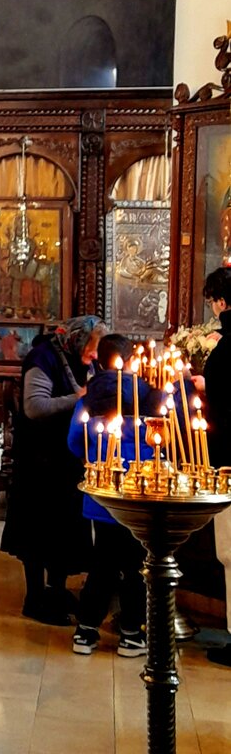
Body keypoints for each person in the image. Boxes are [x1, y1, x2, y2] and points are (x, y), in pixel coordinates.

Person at [0, 314, 106, 623]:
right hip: (39, 460)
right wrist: (78, 398)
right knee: (38, 529)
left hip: (66, 457)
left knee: (64, 527)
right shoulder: (42, 357)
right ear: (77, 340)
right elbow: (35, 407)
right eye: (92, 348)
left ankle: (56, 590)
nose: (95, 355)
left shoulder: (78, 359)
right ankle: (35, 598)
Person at [66, 333, 150, 658]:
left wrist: (94, 458)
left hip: (102, 493)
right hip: (139, 491)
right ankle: (131, 634)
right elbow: (163, 438)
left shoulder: (89, 398)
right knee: (135, 566)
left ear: (98, 362)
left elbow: (75, 440)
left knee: (102, 563)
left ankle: (86, 631)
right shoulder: (147, 395)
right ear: (129, 361)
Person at [200, 266, 231, 668]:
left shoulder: (227, 344)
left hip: (228, 459)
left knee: (230, 550)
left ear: (221, 302)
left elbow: (221, 393)